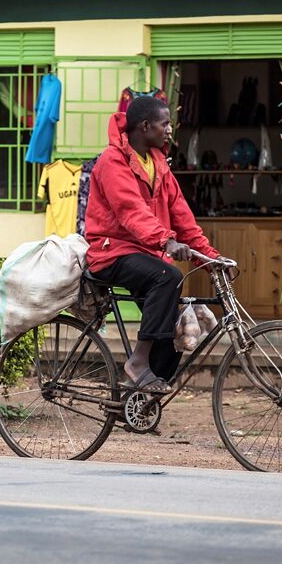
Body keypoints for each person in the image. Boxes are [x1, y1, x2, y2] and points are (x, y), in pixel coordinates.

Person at [84, 96, 219, 393]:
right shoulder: (113, 161)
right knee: (168, 276)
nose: (170, 130)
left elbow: (182, 215)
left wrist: (210, 259)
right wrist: (165, 241)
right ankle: (137, 363)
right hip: (111, 252)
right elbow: (130, 210)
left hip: (146, 254)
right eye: (165, 124)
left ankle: (137, 402)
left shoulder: (158, 163)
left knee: (174, 332)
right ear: (145, 126)